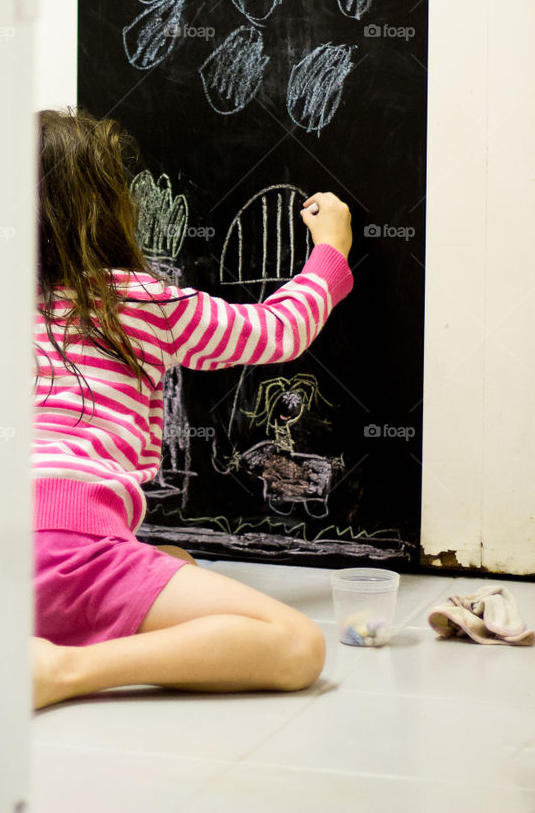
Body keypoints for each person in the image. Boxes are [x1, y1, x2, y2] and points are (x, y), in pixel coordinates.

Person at [32, 107, 353, 710]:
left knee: (170, 557)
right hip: (68, 547)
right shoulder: (142, 301)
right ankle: (66, 669)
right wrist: (330, 251)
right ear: (110, 206)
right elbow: (278, 329)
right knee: (294, 645)